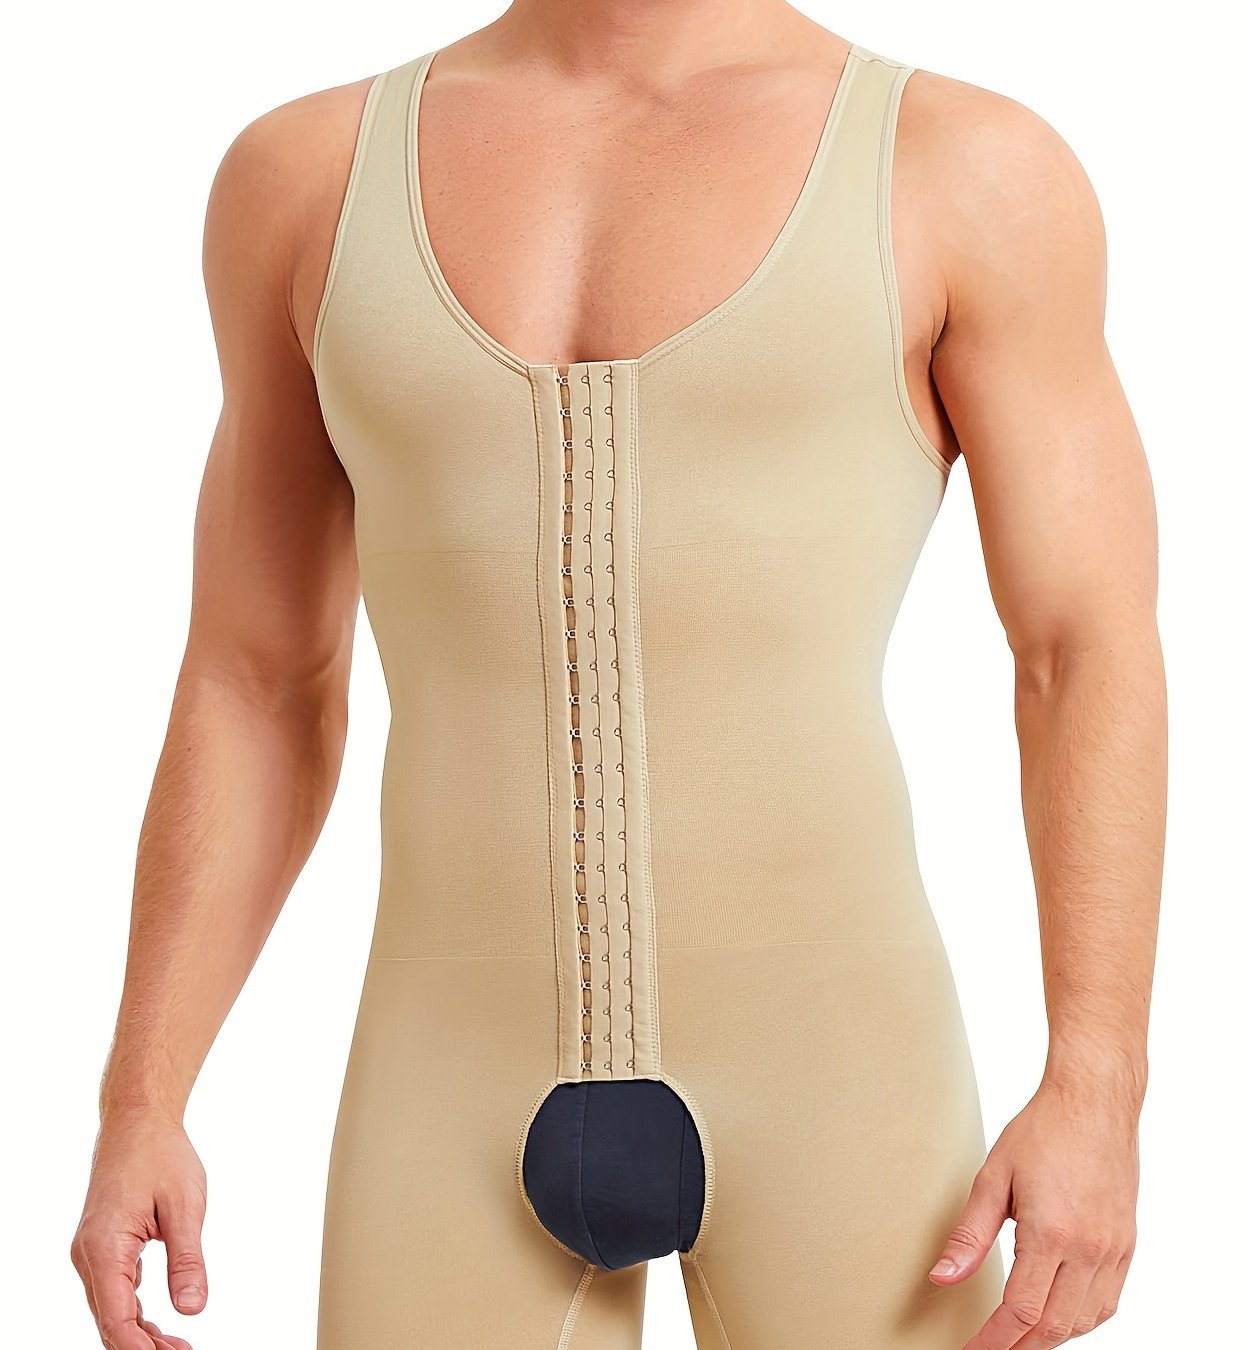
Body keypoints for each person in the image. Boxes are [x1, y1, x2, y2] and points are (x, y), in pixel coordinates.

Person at [69, 3, 1165, 1348]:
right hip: (443, 1085)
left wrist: (1096, 1087)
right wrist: (142, 1098)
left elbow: (1080, 647)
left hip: (840, 1075)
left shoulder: (962, 166)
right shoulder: (305, 177)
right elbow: (256, 677)